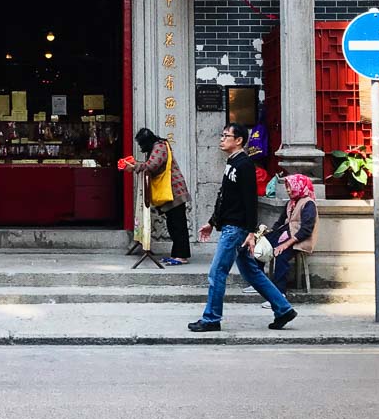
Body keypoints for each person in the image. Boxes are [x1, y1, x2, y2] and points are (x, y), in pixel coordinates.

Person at [188, 122, 297, 332]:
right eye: (222, 135)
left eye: (226, 135)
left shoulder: (244, 165)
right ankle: (283, 309)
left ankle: (211, 318)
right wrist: (211, 222)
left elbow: (250, 201)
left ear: (238, 140)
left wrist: (250, 232)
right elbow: (225, 198)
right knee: (253, 273)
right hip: (231, 225)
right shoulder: (232, 162)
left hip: (236, 229)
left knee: (217, 272)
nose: (222, 139)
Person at [132, 127, 192, 265]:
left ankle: (182, 256)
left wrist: (135, 166)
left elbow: (152, 166)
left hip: (174, 191)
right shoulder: (158, 145)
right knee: (173, 224)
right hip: (172, 192)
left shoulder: (159, 146)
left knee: (178, 224)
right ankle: (177, 254)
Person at [266, 173, 317, 295]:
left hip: (300, 240)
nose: (288, 190)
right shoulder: (290, 203)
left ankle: (279, 293)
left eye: (290, 187)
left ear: (299, 186)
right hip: (286, 234)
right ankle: (259, 281)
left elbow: (306, 230)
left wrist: (285, 244)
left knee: (281, 254)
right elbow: (280, 222)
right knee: (261, 245)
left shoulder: (308, 204)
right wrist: (269, 233)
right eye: (287, 187)